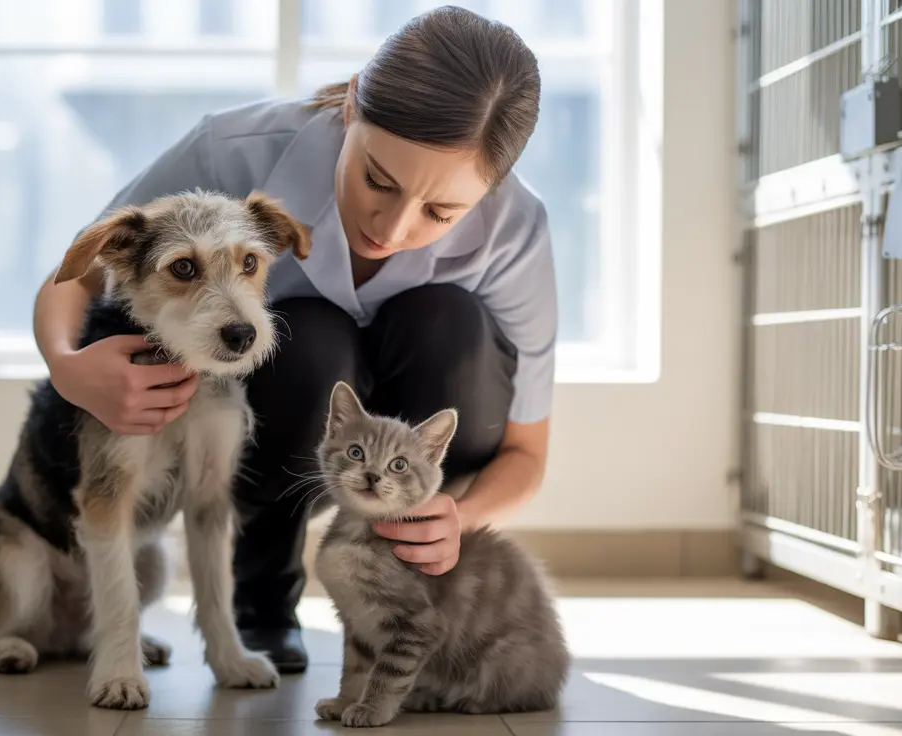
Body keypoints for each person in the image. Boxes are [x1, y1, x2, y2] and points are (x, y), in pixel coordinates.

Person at [32, 5, 556, 674]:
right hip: (277, 412)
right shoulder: (230, 149)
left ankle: (410, 592)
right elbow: (74, 275)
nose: (392, 228)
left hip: (409, 436)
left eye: (441, 211)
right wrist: (68, 367)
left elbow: (526, 454)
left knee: (450, 325)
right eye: (378, 179)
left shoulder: (517, 228)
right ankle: (263, 601)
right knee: (305, 336)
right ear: (351, 108)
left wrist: (460, 512)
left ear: (490, 189)